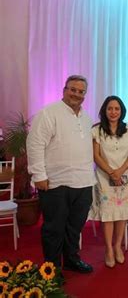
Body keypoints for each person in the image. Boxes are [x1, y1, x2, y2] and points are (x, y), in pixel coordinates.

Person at [26, 75, 95, 272]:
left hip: (83, 182)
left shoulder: (86, 117)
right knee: (54, 229)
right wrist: (39, 176)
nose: (76, 94)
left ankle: (72, 259)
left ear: (85, 95)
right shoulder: (49, 113)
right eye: (72, 89)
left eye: (81, 91)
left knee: (75, 227)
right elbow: (35, 144)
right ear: (64, 90)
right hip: (55, 182)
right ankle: (52, 268)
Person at [88, 96, 128, 268]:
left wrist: (120, 171)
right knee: (108, 214)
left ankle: (118, 246)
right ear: (104, 111)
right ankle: (108, 250)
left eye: (117, 109)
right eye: (110, 108)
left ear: (122, 111)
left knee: (122, 214)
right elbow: (96, 155)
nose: (113, 112)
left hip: (125, 177)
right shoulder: (97, 131)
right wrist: (111, 172)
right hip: (105, 178)